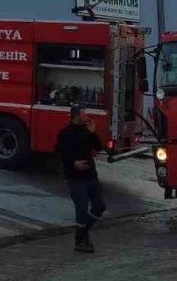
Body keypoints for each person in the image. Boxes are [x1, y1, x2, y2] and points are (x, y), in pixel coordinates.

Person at [56, 105, 106, 253]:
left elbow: (97, 147)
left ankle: (84, 233)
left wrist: (93, 132)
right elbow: (60, 153)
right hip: (75, 177)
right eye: (84, 115)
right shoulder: (66, 133)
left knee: (99, 205)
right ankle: (80, 240)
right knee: (82, 208)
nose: (87, 117)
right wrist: (73, 164)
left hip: (90, 175)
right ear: (76, 116)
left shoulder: (86, 131)